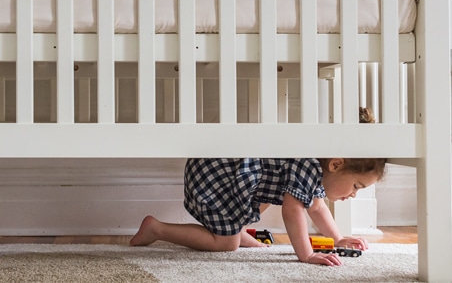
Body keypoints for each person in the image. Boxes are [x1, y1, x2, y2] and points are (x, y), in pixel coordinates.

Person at [130, 108, 386, 266]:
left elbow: (317, 206)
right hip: (216, 178)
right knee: (225, 245)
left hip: (227, 175)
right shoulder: (308, 166)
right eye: (355, 186)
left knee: (267, 191)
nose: (353, 194)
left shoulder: (313, 164)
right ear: (336, 164)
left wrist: (337, 238)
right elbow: (292, 212)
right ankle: (157, 229)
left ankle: (235, 230)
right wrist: (306, 254)